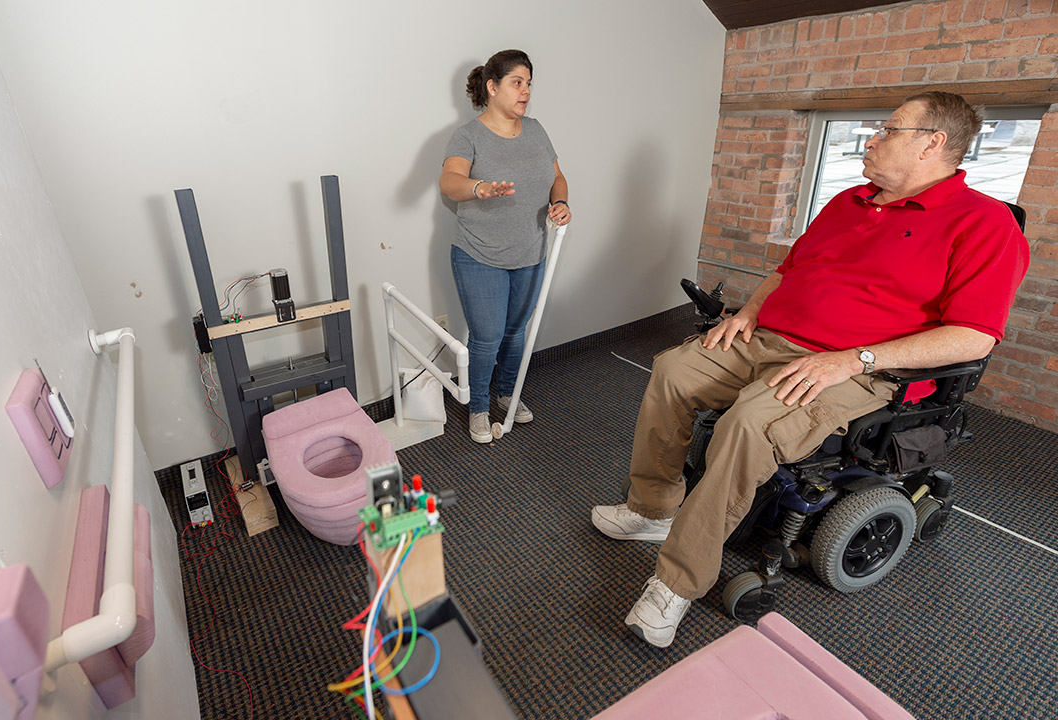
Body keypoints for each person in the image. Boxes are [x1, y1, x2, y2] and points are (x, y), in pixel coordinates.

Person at [591, 91, 1030, 647]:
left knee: (749, 421)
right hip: (774, 337)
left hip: (860, 369)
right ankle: (652, 508)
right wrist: (748, 313)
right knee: (674, 370)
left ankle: (677, 582)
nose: (871, 140)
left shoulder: (986, 224)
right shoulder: (850, 201)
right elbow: (790, 268)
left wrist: (854, 358)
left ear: (932, 144)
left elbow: (973, 334)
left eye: (889, 130)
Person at [439, 49, 572, 443]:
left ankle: (506, 395)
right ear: (492, 87)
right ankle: (478, 406)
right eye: (517, 83)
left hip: (530, 251)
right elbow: (449, 181)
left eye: (529, 84)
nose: (526, 91)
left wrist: (560, 202)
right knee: (488, 335)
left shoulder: (536, 129)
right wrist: (479, 188)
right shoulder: (468, 135)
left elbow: (557, 178)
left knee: (516, 332)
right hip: (479, 254)